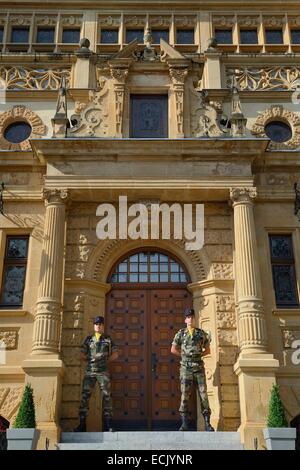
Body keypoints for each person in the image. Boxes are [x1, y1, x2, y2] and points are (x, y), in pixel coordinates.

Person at [171, 307, 214, 432]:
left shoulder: (201, 334)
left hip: (198, 367)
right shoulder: (180, 333)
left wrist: (198, 355)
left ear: (195, 319)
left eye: (192, 317)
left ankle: (207, 423)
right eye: (188, 317)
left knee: (203, 395)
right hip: (185, 368)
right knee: (185, 394)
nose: (190, 319)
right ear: (185, 320)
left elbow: (208, 350)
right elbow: (173, 349)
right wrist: (184, 356)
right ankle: (184, 423)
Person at [74, 315, 118, 432]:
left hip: (103, 372)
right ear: (94, 326)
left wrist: (104, 360)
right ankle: (82, 425)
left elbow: (115, 354)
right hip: (90, 372)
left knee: (107, 396)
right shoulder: (88, 339)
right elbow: (80, 355)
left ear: (103, 326)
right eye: (97, 324)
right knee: (85, 397)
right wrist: (91, 358)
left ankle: (108, 425)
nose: (98, 326)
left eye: (100, 324)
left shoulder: (108, 339)